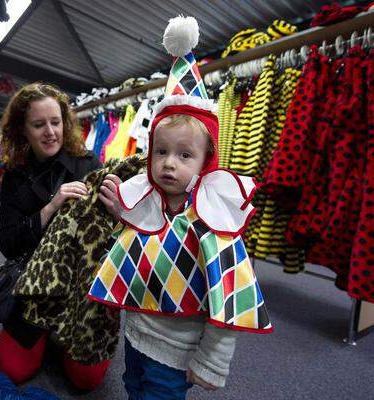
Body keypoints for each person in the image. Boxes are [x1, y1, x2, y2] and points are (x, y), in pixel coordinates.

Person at [91, 16, 272, 400]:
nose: (168, 163)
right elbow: (139, 248)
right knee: (131, 387)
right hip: (136, 335)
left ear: (206, 161)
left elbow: (230, 293)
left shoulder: (214, 221)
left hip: (175, 353)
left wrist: (211, 362)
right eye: (161, 152)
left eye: (184, 154)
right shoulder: (145, 203)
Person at [0, 83, 105, 389]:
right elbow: (7, 243)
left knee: (86, 381)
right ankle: (44, 332)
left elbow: (111, 232)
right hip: (33, 286)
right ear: (22, 130)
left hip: (81, 286)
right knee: (12, 373)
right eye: (38, 124)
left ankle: (66, 332)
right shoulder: (15, 176)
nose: (50, 132)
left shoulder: (88, 164)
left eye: (55, 122)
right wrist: (51, 206)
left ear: (65, 123)